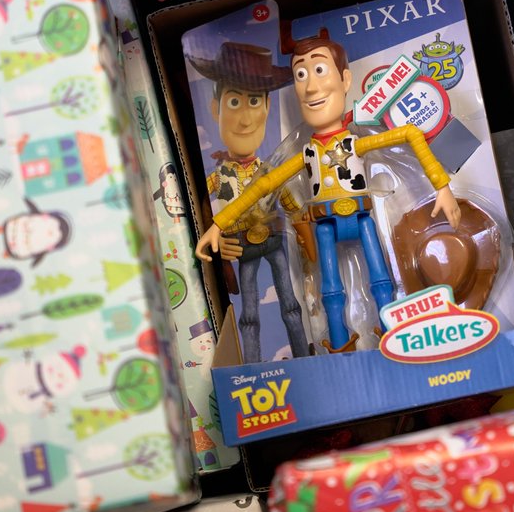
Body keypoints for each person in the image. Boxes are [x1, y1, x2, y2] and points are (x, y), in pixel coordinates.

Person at [196, 31, 461, 353]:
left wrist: (442, 188)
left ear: (345, 78)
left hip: (362, 216)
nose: (310, 86)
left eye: (319, 70)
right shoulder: (306, 153)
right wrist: (218, 224)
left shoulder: (356, 141)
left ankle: (394, 332)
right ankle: (339, 344)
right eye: (300, 74)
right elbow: (264, 184)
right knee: (331, 290)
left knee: (382, 281)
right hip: (323, 223)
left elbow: (409, 133)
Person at [189, 42, 312, 362]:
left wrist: (306, 234)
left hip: (273, 242)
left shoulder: (271, 171)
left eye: (254, 101)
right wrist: (220, 250)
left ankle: (303, 359)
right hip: (242, 246)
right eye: (233, 101)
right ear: (216, 109)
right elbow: (202, 206)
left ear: (267, 107)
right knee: (249, 313)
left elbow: (291, 205)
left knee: (291, 305)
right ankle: (255, 367)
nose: (244, 119)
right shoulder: (218, 175)